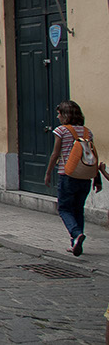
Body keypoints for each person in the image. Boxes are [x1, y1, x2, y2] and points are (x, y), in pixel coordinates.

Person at [44, 100, 99, 256]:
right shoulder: (87, 132)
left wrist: (48, 172)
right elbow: (91, 156)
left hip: (67, 175)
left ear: (65, 114)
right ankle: (75, 241)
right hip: (85, 177)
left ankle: (76, 234)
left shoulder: (61, 131)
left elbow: (55, 154)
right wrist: (96, 178)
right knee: (78, 209)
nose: (57, 116)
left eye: (59, 113)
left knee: (64, 208)